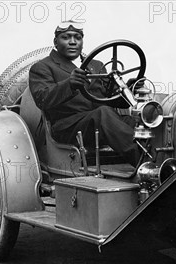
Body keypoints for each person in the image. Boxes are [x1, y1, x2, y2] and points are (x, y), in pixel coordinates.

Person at [29, 21, 141, 165]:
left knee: (140, 121)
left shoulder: (97, 65)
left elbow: (111, 99)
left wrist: (128, 90)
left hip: (100, 123)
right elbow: (42, 99)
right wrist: (69, 84)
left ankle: (162, 159)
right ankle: (143, 162)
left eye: (77, 37)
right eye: (66, 37)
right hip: (68, 127)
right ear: (55, 42)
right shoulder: (42, 67)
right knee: (103, 113)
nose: (72, 42)